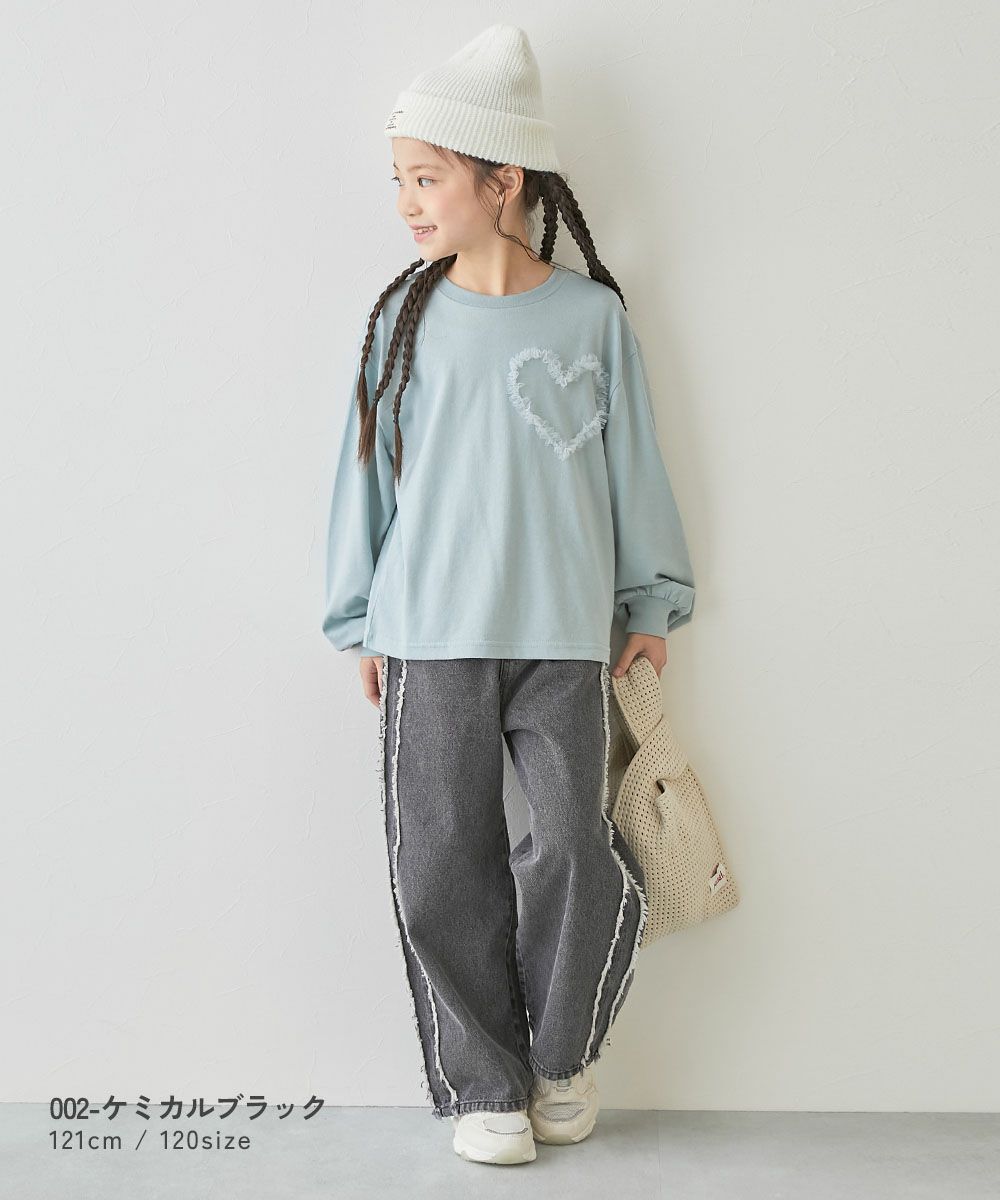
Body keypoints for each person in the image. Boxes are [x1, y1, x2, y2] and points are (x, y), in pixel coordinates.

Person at [321, 24, 696, 1166]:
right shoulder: (403, 320)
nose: (406, 203)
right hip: (426, 633)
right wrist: (359, 619)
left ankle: (559, 1054)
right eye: (399, 180)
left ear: (503, 181)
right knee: (440, 860)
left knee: (572, 847)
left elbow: (634, 467)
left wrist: (650, 602)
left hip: (563, 637)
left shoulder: (591, 319)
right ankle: (483, 1083)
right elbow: (364, 479)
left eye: (426, 179)